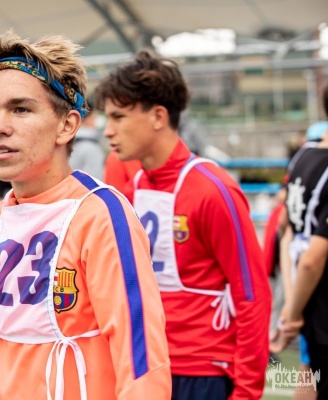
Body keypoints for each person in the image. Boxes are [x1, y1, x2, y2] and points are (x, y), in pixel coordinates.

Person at [0, 31, 171, 400]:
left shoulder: (101, 216)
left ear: (67, 125)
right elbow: (1, 345)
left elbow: (141, 360)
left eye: (21, 109)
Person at [94, 49, 271, 400]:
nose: (108, 131)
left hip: (202, 373)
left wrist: (247, 391)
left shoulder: (213, 190)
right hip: (146, 368)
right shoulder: (132, 189)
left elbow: (252, 294)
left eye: (118, 117)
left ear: (158, 116)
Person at [271, 85, 328, 398]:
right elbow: (312, 258)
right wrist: (292, 314)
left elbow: (287, 229)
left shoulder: (303, 156)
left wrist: (293, 307)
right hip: (319, 302)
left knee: (309, 373)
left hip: (306, 296)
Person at [68, 105, 105, 179]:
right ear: (87, 119)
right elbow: (94, 181)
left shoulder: (63, 142)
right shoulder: (92, 148)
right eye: (95, 118)